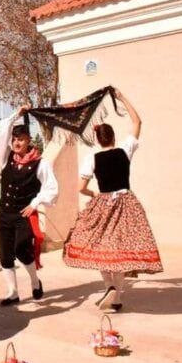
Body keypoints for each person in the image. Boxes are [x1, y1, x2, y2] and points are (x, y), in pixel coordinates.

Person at [63, 90, 162, 311]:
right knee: (120, 251)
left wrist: (95, 195)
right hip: (126, 202)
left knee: (100, 248)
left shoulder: (92, 159)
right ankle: (116, 295)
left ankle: (110, 288)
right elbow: (137, 121)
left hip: (104, 204)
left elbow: (81, 188)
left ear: (98, 139)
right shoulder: (125, 151)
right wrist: (122, 97)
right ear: (114, 138)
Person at [0, 106, 58, 306]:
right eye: (14, 140)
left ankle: (35, 282)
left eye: (20, 139)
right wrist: (17, 115)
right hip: (4, 214)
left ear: (28, 140)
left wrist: (35, 203)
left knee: (21, 249)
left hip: (23, 215)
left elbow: (51, 189)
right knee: (5, 254)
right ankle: (12, 292)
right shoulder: (6, 158)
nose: (16, 143)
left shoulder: (41, 163)